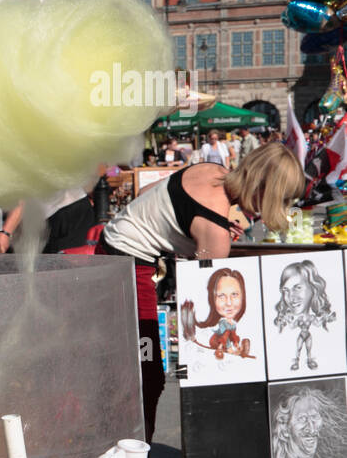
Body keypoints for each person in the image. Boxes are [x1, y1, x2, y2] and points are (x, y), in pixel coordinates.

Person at [97, 142, 305, 441]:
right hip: (128, 268)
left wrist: (197, 232)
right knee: (148, 376)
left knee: (127, 365)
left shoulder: (209, 170)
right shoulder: (216, 229)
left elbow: (148, 196)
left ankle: (121, 452)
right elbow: (203, 294)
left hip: (111, 248)